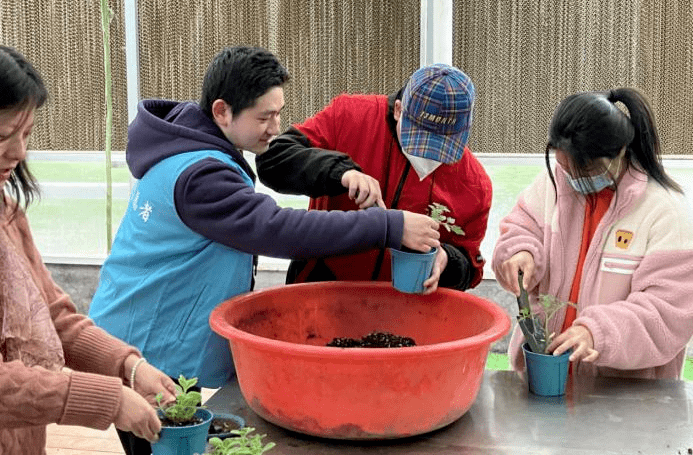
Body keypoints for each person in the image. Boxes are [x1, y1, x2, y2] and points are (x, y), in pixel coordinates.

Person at [88, 46, 439, 455]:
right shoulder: (201, 175)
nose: (276, 128)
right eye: (264, 117)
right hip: (144, 346)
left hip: (151, 331)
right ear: (222, 111)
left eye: (279, 113)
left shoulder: (191, 150)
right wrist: (389, 225)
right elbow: (277, 229)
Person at [0, 46, 177, 455]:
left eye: (26, 135)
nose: (20, 153)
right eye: (4, 136)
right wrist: (106, 399)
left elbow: (55, 317)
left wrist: (131, 368)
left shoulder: (7, 213)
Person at [492, 87, 693, 379]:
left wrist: (596, 333)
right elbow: (522, 227)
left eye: (584, 170)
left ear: (619, 152)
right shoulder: (553, 185)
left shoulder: (664, 212)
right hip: (545, 377)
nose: (572, 178)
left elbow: (666, 313)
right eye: (563, 166)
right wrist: (520, 251)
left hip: (623, 397)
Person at [256, 63, 492, 294]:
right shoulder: (350, 116)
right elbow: (273, 160)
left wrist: (447, 261)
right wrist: (342, 172)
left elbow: (471, 267)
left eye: (442, 148)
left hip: (407, 309)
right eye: (419, 140)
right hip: (323, 289)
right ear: (399, 110)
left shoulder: (475, 185)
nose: (427, 158)